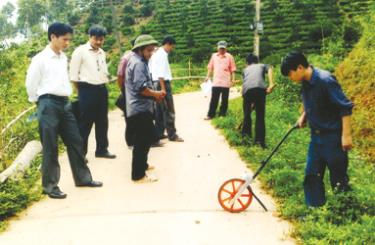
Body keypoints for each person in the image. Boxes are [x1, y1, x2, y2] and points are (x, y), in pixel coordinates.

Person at [25, 22, 102, 199]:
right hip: (47, 103)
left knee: (75, 141)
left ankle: (83, 178)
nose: (67, 43)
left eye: (69, 39)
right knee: (50, 146)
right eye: (64, 39)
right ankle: (50, 186)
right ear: (53, 37)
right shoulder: (40, 59)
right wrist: (38, 102)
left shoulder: (62, 57)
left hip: (64, 103)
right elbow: (31, 84)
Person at [281, 51, 353, 207]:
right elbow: (313, 102)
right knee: (312, 175)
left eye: (290, 74)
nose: (290, 78)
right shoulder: (305, 83)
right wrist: (304, 116)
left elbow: (345, 108)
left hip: (333, 138)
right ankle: (314, 210)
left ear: (299, 67)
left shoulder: (325, 80)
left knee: (338, 178)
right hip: (316, 138)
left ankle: (345, 212)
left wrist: (346, 136)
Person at [70, 25, 116, 159]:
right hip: (86, 90)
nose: (99, 42)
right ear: (90, 37)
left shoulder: (102, 52)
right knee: (85, 123)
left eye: (101, 39)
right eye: (96, 39)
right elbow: (73, 75)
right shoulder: (80, 51)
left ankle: (102, 150)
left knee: (102, 121)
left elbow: (103, 72)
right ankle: (81, 154)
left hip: (101, 89)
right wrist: (81, 92)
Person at [125, 35, 166, 183]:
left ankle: (143, 165)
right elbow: (141, 89)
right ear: (140, 49)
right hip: (139, 110)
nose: (151, 53)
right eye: (149, 50)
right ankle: (138, 175)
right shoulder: (138, 64)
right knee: (141, 142)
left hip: (142, 108)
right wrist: (156, 94)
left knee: (147, 138)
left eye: (153, 50)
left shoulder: (140, 61)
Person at [149, 36, 184, 142]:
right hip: (162, 83)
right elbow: (160, 73)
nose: (171, 49)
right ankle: (172, 135)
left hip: (155, 83)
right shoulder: (162, 54)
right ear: (168, 44)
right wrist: (163, 88)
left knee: (160, 110)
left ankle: (158, 133)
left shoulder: (156, 53)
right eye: (172, 46)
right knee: (169, 110)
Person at [241, 54, 275, 148]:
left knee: (247, 115)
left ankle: (246, 139)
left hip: (247, 91)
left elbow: (245, 84)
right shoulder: (262, 65)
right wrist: (271, 84)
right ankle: (260, 142)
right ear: (257, 61)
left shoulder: (245, 70)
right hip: (260, 90)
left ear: (247, 63)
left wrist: (247, 100)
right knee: (260, 116)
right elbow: (270, 68)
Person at [204, 41, 236, 120]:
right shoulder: (214, 56)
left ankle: (222, 114)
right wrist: (207, 76)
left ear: (226, 48)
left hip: (226, 82)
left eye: (223, 48)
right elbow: (210, 67)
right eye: (220, 48)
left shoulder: (229, 57)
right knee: (214, 99)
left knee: (224, 100)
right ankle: (210, 115)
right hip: (216, 82)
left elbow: (233, 69)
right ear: (217, 48)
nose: (221, 50)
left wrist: (233, 80)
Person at [117, 44, 135, 148]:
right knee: (129, 117)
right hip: (127, 91)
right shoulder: (126, 59)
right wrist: (123, 91)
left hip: (134, 91)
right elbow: (120, 76)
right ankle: (130, 142)